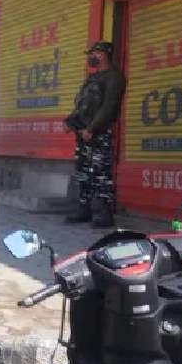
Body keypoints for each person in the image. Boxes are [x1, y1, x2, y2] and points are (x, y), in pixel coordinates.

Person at [64, 41, 126, 228]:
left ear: (104, 54)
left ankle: (103, 213)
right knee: (83, 172)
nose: (90, 57)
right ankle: (84, 209)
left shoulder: (114, 78)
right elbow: (83, 104)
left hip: (98, 133)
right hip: (83, 133)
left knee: (100, 174)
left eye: (94, 53)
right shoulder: (92, 78)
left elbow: (108, 107)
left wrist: (92, 128)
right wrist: (71, 122)